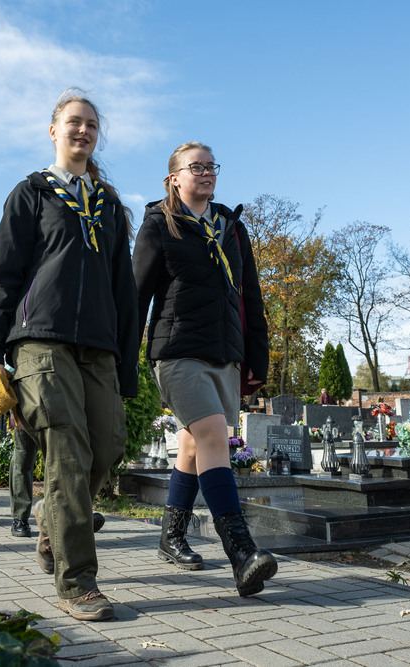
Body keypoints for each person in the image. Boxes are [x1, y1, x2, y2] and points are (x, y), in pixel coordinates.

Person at [0, 90, 139, 621]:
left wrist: (127, 365)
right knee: (67, 451)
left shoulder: (108, 204)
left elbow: (124, 289)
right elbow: (3, 276)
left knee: (108, 444)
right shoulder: (31, 193)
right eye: (74, 122)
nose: (83, 130)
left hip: (99, 345)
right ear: (53, 130)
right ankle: (78, 582)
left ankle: (52, 519)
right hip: (39, 340)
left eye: (91, 124)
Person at [132, 142, 277, 596]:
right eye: (195, 166)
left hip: (224, 353)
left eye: (211, 165)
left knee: (194, 444)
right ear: (173, 178)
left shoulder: (232, 228)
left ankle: (171, 536)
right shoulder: (159, 224)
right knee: (214, 434)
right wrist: (121, 360)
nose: (206, 172)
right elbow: (136, 296)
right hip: (176, 352)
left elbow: (250, 295)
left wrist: (256, 359)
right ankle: (241, 552)